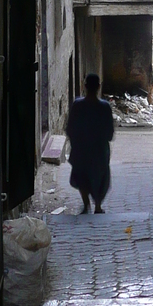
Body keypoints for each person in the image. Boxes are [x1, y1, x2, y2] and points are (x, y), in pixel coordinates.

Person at [65, 73, 114, 213]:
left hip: (81, 150)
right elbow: (109, 132)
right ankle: (98, 205)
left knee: (82, 176)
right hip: (99, 150)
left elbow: (70, 128)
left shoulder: (77, 105)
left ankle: (86, 204)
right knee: (100, 178)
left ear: (85, 86)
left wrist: (75, 143)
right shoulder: (104, 107)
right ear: (99, 87)